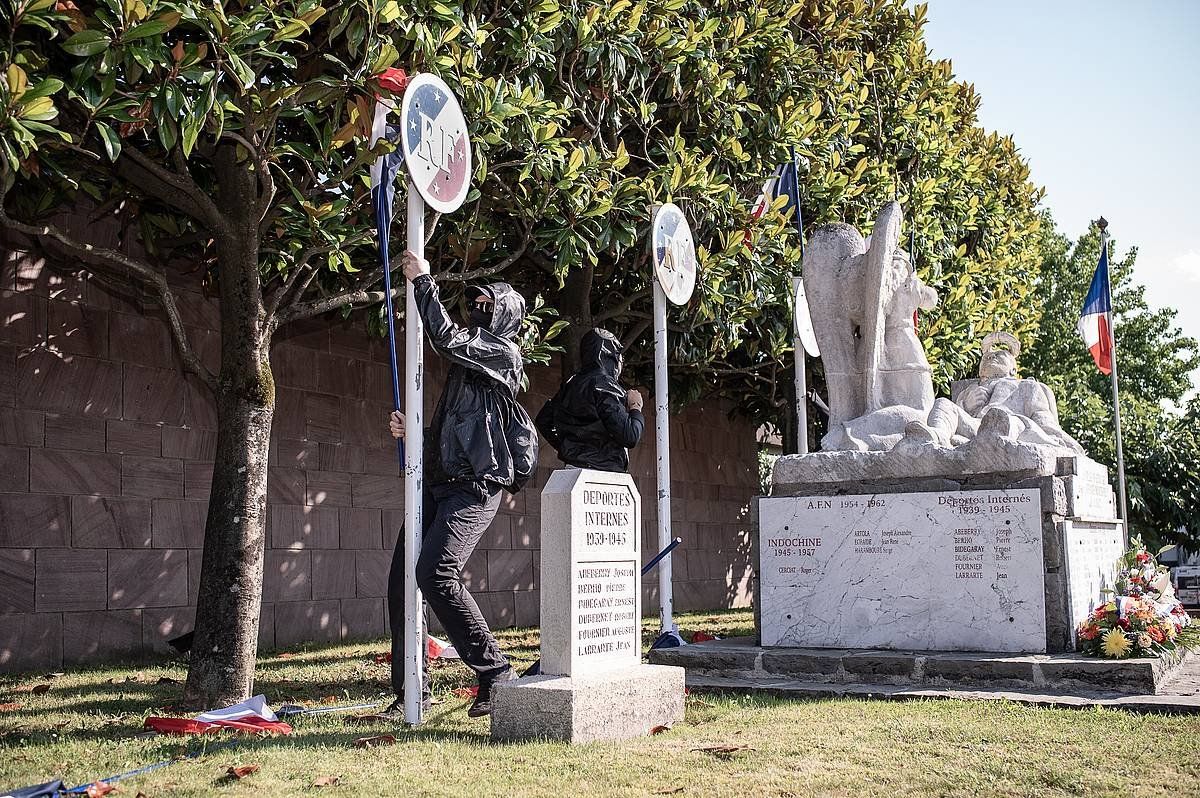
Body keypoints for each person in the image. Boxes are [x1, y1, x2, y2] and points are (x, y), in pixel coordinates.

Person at [382, 250, 537, 720]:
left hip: (474, 487)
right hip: (438, 483)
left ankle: (496, 675)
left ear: (506, 316)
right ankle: (412, 690)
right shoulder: (469, 368)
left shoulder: (502, 353)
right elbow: (463, 426)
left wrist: (424, 282)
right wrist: (419, 433)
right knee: (400, 583)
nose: (479, 311)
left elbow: (448, 339)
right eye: (477, 305)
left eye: (488, 306)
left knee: (435, 573)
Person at [535, 328, 644, 472]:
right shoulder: (605, 384)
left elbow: (543, 420)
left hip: (573, 468)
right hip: (603, 472)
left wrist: (567, 447)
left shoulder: (571, 384)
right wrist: (635, 406)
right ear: (611, 357)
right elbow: (630, 435)